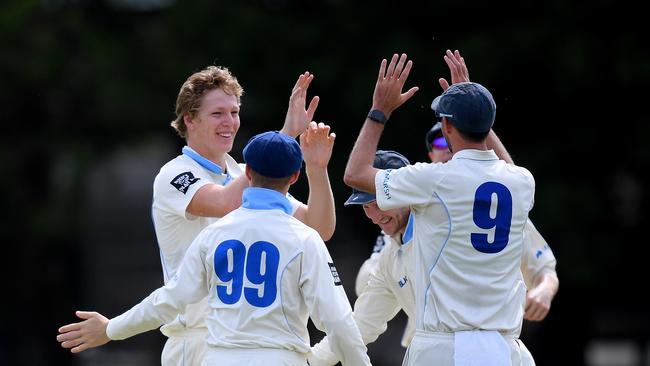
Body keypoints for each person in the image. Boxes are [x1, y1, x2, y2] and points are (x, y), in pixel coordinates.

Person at [67, 66, 336, 365]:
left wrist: (317, 169)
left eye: (234, 112)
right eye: (217, 113)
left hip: (244, 341)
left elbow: (318, 227)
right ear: (190, 120)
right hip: (193, 342)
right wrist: (284, 137)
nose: (230, 122)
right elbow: (225, 202)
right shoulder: (175, 174)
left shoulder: (242, 172)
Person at [57, 130, 372, 366]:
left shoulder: (214, 235)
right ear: (294, 176)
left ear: (247, 174)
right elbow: (339, 321)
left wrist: (112, 328)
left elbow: (169, 300)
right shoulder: (304, 238)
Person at [343, 51, 536, 365]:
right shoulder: (521, 181)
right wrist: (474, 105)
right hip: (505, 349)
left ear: (446, 127)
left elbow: (355, 174)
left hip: (443, 348)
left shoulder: (433, 178)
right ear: (488, 126)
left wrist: (380, 110)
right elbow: (505, 165)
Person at [425, 121, 559, 322]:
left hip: (486, 333)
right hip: (428, 338)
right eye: (441, 142)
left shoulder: (498, 212)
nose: (449, 148)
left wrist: (545, 290)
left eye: (453, 142)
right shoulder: (417, 207)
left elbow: (543, 268)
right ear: (430, 157)